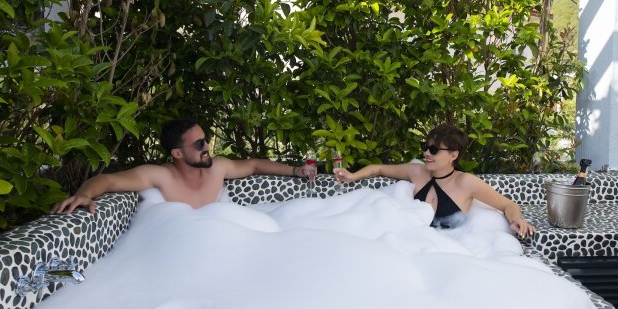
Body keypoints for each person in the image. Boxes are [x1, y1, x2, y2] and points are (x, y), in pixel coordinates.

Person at [52, 118, 316, 215]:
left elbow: (255, 165)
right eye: (199, 144)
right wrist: (85, 194)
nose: (207, 147)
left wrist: (296, 171)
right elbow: (108, 180)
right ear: (177, 153)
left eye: (206, 140)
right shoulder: (160, 176)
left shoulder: (217, 169)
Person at [333, 124, 536, 238]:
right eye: (426, 147)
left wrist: (516, 220)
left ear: (453, 155)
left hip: (451, 251)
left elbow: (508, 205)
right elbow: (379, 169)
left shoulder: (466, 183)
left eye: (434, 150)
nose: (426, 153)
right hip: (410, 243)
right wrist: (352, 176)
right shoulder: (416, 172)